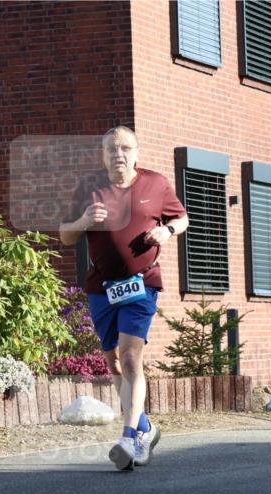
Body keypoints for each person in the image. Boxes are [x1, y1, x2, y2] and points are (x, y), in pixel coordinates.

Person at [59, 127, 189, 471]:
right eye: (112, 150)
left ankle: (130, 435)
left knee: (131, 358)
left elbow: (182, 217)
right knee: (114, 362)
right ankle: (146, 428)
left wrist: (168, 230)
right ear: (103, 156)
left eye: (126, 148)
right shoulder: (88, 188)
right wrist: (84, 220)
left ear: (136, 153)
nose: (119, 154)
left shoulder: (156, 184)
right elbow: (65, 235)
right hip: (102, 286)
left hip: (142, 283)